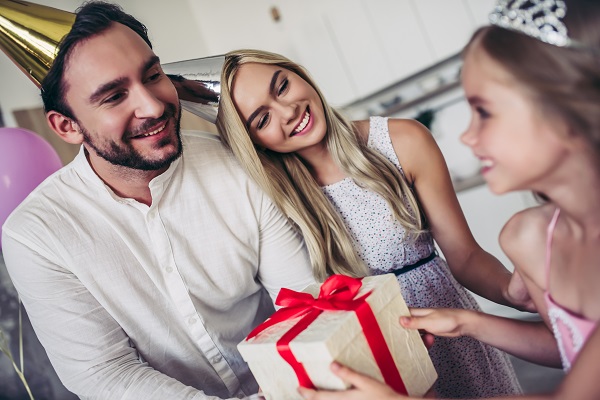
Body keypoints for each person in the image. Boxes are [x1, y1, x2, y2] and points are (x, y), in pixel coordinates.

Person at [0, 2, 316, 399]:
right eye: (114, 96)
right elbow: (103, 373)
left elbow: (303, 298)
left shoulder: (236, 162)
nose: (153, 105)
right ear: (67, 126)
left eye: (153, 75)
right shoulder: (35, 235)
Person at [298, 0, 600, 399]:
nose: (466, 136)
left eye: (484, 111)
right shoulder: (530, 236)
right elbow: (570, 351)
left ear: (568, 104)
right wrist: (466, 323)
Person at [214, 46, 527, 397]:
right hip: (368, 359)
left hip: (451, 330)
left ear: (298, 73)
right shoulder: (274, 204)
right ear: (254, 142)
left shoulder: (402, 141)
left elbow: (465, 256)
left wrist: (515, 294)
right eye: (262, 119)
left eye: (282, 86)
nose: (288, 112)